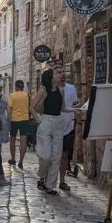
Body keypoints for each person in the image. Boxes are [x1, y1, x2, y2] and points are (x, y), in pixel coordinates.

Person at [31, 67, 72, 195]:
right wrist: (39, 121)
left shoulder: (61, 90)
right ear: (51, 76)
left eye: (62, 72)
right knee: (46, 155)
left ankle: (50, 186)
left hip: (58, 122)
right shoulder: (43, 90)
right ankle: (42, 175)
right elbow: (31, 107)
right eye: (58, 72)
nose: (62, 74)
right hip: (46, 122)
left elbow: (63, 108)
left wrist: (75, 110)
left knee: (56, 157)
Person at [59, 72, 79, 191]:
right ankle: (46, 180)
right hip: (54, 126)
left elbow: (75, 105)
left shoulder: (71, 88)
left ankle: (62, 181)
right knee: (52, 156)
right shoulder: (52, 89)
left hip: (67, 126)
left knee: (64, 155)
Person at [7, 80, 31, 168]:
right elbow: (29, 107)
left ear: (16, 87)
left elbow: (9, 109)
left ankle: (13, 159)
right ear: (23, 87)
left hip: (14, 119)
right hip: (25, 119)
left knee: (12, 140)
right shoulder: (27, 95)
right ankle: (21, 161)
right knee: (23, 141)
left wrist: (9, 120)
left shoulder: (12, 95)